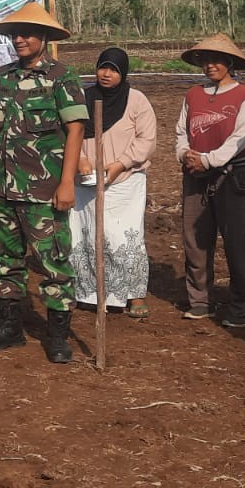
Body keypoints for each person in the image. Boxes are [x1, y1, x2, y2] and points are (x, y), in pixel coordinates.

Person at [0, 1, 87, 364]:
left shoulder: (61, 78)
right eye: (16, 34)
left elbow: (75, 129)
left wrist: (67, 183)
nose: (20, 39)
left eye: (28, 33)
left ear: (44, 37)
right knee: (4, 261)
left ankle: (58, 335)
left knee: (53, 263)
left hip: (45, 191)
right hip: (3, 188)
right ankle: (10, 328)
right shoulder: (2, 77)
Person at [175, 33, 245, 326]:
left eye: (217, 60)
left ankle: (240, 306)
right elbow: (181, 131)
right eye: (205, 60)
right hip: (195, 174)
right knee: (195, 239)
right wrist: (185, 154)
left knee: (235, 240)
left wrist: (208, 160)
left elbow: (242, 136)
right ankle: (200, 300)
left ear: (230, 63)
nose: (210, 66)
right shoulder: (193, 95)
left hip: (233, 174)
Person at [72, 47, 156, 319]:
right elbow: (69, 132)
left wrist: (120, 163)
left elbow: (146, 140)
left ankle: (133, 295)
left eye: (114, 69)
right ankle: (90, 293)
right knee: (86, 232)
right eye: (102, 67)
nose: (106, 74)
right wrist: (80, 159)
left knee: (123, 236)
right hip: (85, 179)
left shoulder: (137, 101)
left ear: (124, 73)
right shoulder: (82, 97)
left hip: (125, 180)